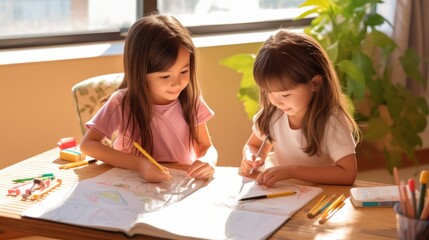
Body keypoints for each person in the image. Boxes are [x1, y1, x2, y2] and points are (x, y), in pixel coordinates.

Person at [80, 14, 218, 183]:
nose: (177, 83)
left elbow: (205, 146)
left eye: (184, 71)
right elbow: (88, 145)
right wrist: (140, 165)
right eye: (165, 76)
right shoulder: (122, 102)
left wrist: (208, 160)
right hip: (132, 184)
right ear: (141, 73)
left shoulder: (190, 99)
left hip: (177, 183)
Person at [240, 29, 361, 187]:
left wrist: (292, 171)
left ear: (315, 84)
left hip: (321, 200)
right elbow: (254, 145)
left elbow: (347, 173)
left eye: (285, 95)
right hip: (283, 197)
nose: (276, 101)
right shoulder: (273, 113)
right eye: (269, 92)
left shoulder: (332, 121)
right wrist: (251, 157)